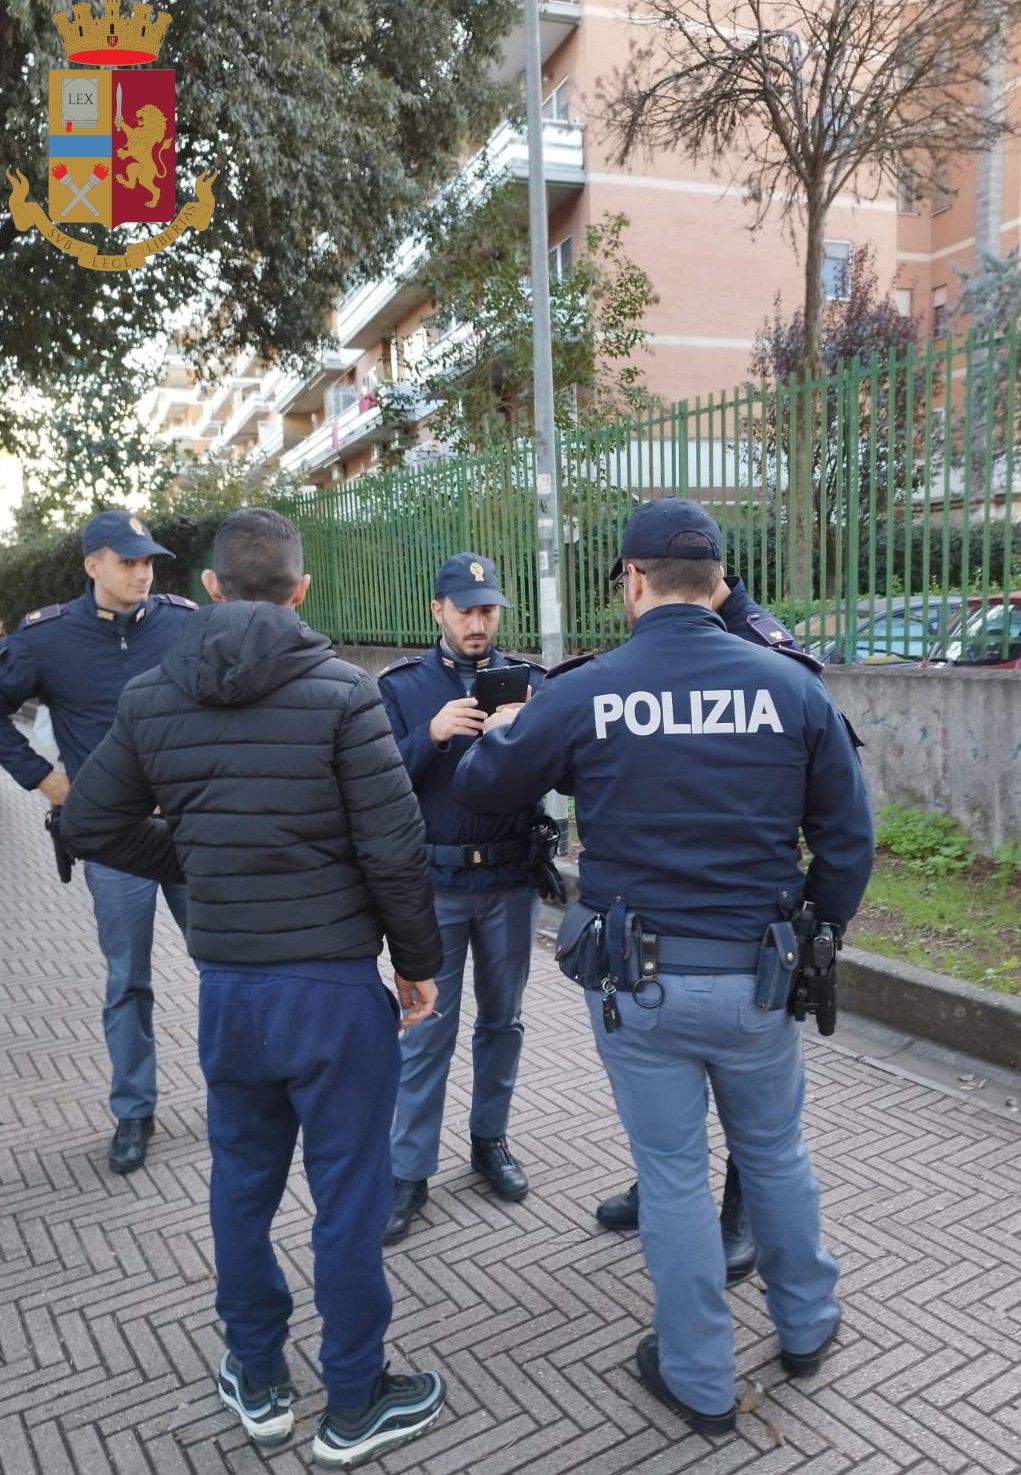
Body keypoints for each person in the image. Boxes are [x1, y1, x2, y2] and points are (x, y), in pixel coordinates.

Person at [453, 499, 873, 1435]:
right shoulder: (790, 685)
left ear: (633, 581)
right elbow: (848, 838)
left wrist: (522, 735)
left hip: (639, 985)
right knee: (775, 1153)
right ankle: (805, 1323)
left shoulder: (588, 689)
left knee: (675, 1176)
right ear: (717, 582)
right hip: (759, 978)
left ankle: (697, 1376)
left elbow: (484, 784)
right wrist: (817, 931)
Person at [61, 508, 447, 1468]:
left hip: (231, 990)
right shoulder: (343, 695)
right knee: (349, 1195)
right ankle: (353, 1399)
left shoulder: (153, 696)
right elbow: (393, 848)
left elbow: (90, 824)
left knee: (241, 1183)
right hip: (332, 991)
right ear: (302, 591)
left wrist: (193, 864)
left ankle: (259, 1376)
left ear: (213, 590)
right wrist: (418, 964)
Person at [593, 566, 832, 1277]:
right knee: (673, 1123)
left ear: (641, 577)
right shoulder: (643, 654)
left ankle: (738, 1210)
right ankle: (669, 1184)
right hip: (672, 914)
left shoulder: (764, 649)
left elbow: (820, 790)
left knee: (757, 1128)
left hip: (737, 922)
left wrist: (815, 925)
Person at [0, 509, 193, 1174]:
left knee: (224, 965)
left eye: (148, 562)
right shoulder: (43, 639)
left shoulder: (181, 621)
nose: (143, 572)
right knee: (127, 979)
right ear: (93, 566)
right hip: (114, 838)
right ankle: (134, 1110)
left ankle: (242, 1094)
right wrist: (49, 781)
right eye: (128, 561)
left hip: (191, 828)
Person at [376, 552, 547, 1244]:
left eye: (488, 609)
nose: (478, 622)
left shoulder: (530, 683)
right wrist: (431, 733)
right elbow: (375, 777)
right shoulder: (402, 687)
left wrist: (521, 729)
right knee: (425, 1030)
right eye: (466, 609)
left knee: (502, 1023)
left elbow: (557, 769)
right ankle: (408, 1171)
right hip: (435, 884)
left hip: (508, 880)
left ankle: (489, 1140)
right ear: (437, 611)